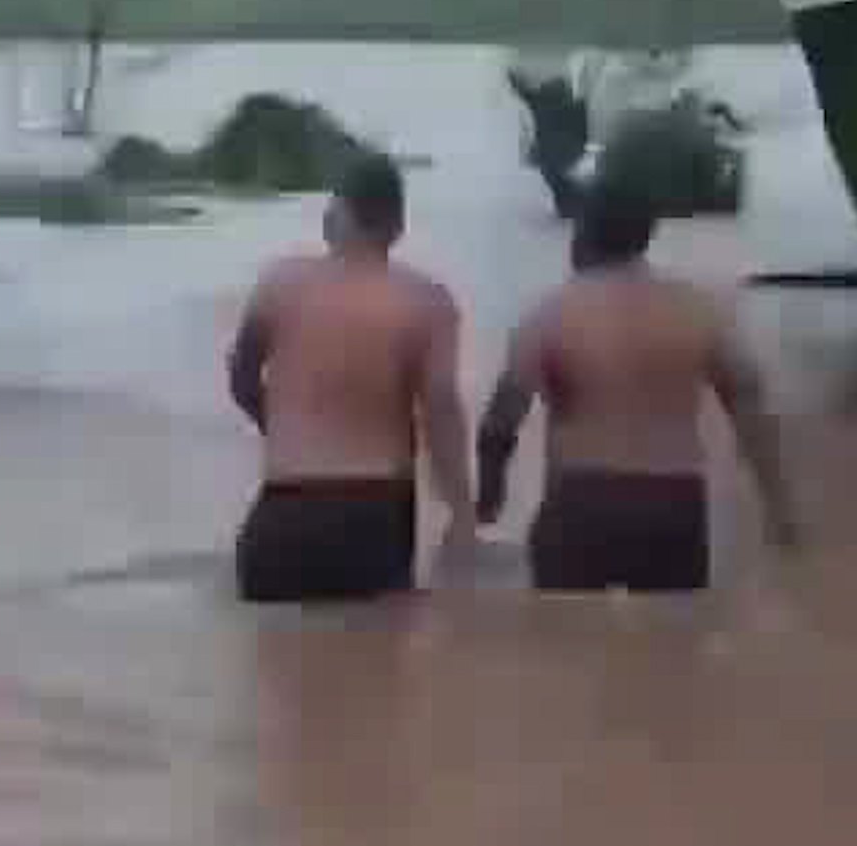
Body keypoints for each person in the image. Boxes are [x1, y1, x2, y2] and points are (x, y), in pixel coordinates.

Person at [476, 178, 802, 592]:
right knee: (672, 649)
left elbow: (501, 421)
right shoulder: (697, 310)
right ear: (646, 234)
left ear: (583, 232)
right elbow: (750, 410)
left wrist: (488, 501)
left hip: (580, 502)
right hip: (674, 506)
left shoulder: (549, 314)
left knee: (564, 647)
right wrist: (780, 509)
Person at [228, 152, 477, 603]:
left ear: (332, 217)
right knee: (375, 667)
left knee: (272, 667)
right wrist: (461, 516)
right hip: (371, 517)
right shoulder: (426, 301)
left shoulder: (278, 284)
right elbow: (440, 410)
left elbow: (241, 377)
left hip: (281, 516)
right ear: (397, 227)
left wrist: (280, 428)